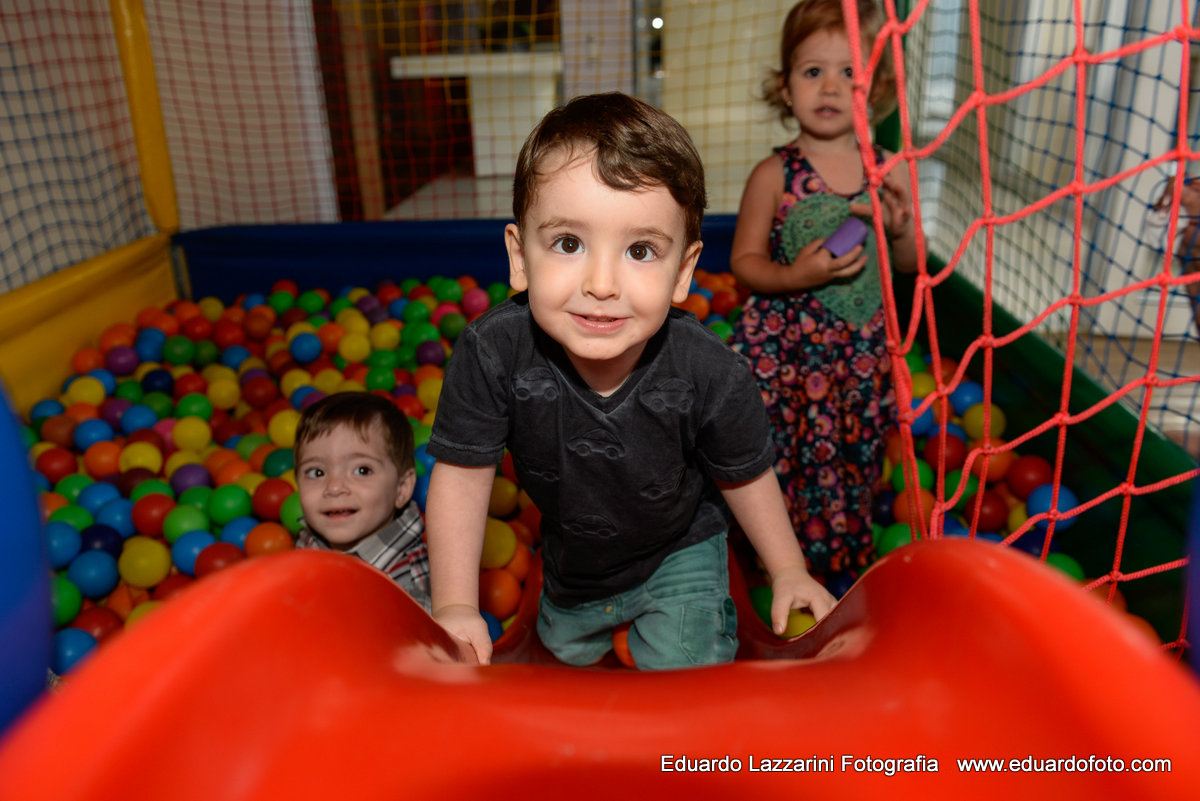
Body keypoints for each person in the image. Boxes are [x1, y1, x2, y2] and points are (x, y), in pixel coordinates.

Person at [425, 92, 836, 669]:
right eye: (569, 244)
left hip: (679, 549)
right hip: (576, 560)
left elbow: (744, 471)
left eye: (640, 250)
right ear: (519, 258)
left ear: (683, 271)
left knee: (687, 671)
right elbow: (462, 479)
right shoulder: (492, 352)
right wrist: (454, 605)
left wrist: (788, 568)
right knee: (565, 656)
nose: (601, 283)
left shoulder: (709, 369)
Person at [729, 0, 918, 586]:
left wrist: (899, 228)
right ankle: (770, 559)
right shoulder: (774, 174)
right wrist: (795, 277)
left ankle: (840, 557)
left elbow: (911, 266)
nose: (830, 86)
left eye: (849, 74)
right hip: (785, 357)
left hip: (856, 358)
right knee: (779, 455)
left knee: (851, 454)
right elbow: (744, 264)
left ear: (875, 90)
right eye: (813, 71)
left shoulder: (889, 171)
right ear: (787, 88)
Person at [293, 392, 431, 611]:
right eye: (317, 472)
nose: (334, 487)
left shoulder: (408, 591)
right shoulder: (308, 542)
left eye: (362, 470)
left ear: (402, 488)